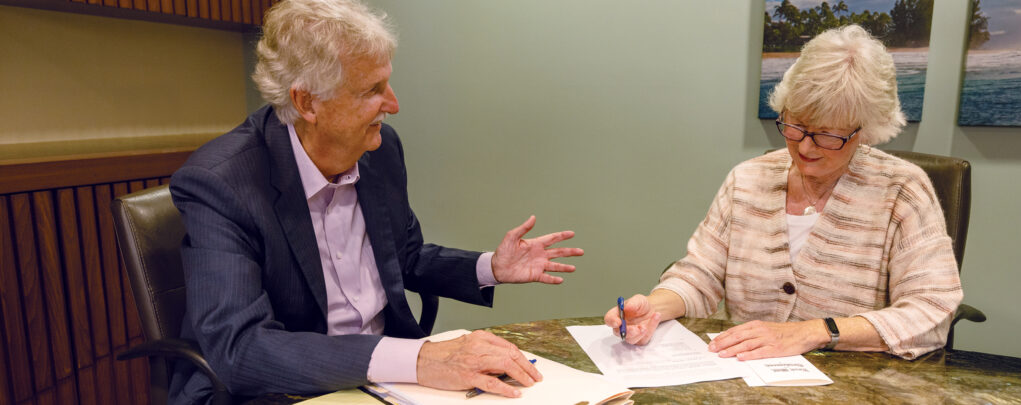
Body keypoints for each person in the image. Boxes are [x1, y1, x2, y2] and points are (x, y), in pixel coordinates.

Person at [167, 0, 582, 402]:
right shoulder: (221, 184)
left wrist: (489, 267)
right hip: (285, 390)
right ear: (307, 102)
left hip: (385, 382)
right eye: (373, 90)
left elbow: (406, 257)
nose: (394, 105)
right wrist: (417, 359)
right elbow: (242, 350)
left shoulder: (379, 151)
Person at [604, 25, 963, 361]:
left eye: (827, 134)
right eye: (796, 126)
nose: (806, 146)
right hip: (747, 379)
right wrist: (655, 308)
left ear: (865, 131)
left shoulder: (902, 191)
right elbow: (701, 274)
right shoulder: (747, 180)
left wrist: (816, 332)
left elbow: (931, 314)